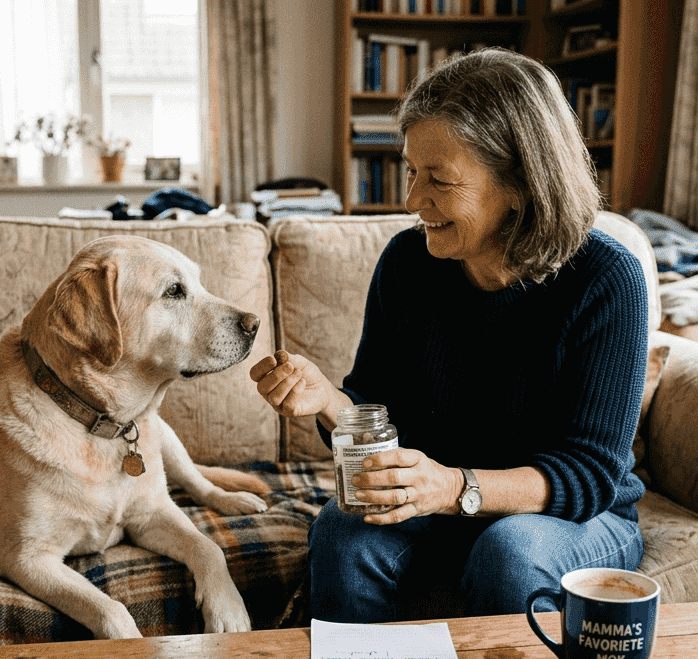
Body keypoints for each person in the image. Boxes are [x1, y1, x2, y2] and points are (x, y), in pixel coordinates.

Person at [249, 48, 649, 623]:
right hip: (436, 499)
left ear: (520, 184)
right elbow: (376, 409)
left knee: (509, 554)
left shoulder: (606, 279)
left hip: (569, 515)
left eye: (438, 179)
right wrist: (329, 401)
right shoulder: (407, 262)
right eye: (412, 170)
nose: (412, 200)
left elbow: (589, 475)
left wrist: (455, 486)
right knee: (343, 533)